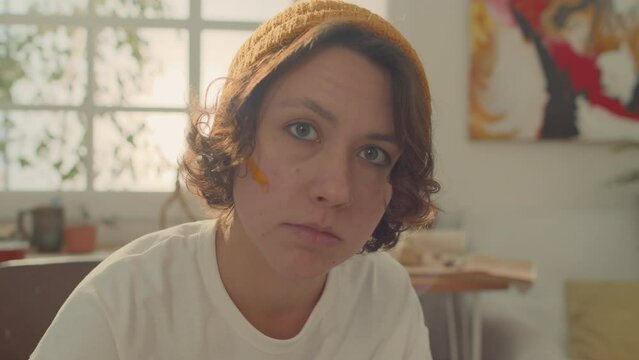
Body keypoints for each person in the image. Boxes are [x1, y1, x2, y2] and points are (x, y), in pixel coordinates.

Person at [31, 1, 439, 359]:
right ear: (236, 138)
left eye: (373, 154)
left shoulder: (383, 296)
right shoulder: (121, 305)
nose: (335, 190)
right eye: (302, 129)